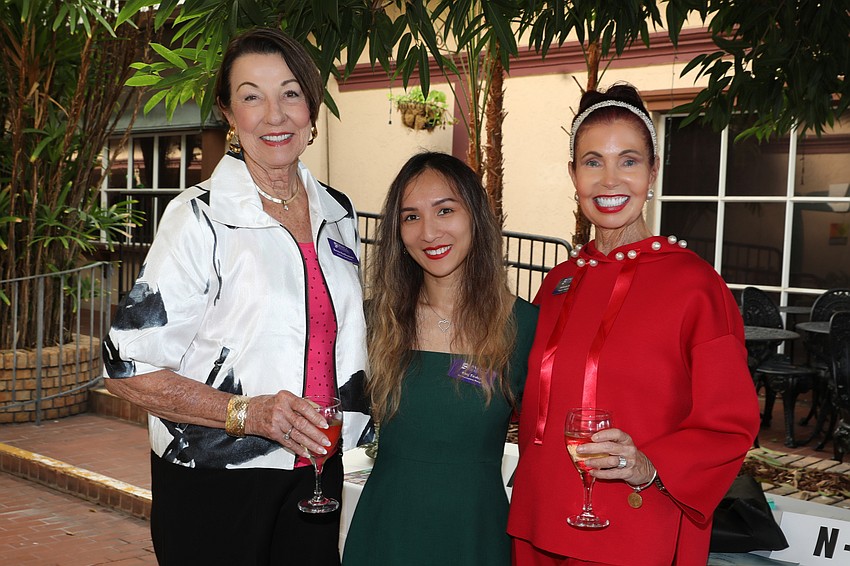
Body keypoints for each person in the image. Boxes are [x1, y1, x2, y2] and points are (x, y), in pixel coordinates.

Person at [101, 28, 372, 566]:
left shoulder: (338, 212)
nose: (275, 115)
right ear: (228, 113)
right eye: (252, 97)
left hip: (318, 472)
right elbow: (126, 368)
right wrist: (249, 414)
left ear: (311, 108)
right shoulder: (197, 217)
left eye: (290, 93)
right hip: (217, 478)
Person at [507, 84, 760, 565]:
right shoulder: (558, 282)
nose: (609, 180)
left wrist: (649, 465)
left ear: (653, 171)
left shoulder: (696, 285)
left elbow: (730, 424)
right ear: (573, 174)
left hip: (637, 531)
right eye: (593, 162)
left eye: (628, 161)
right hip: (538, 524)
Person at [341, 152, 538, 566]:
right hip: (386, 535)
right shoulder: (372, 321)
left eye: (445, 210)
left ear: (476, 217)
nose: (429, 232)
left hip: (476, 536)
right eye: (411, 217)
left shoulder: (526, 326)